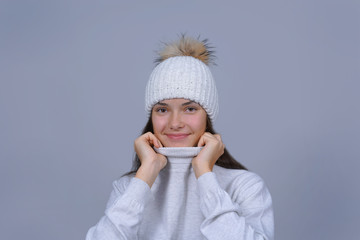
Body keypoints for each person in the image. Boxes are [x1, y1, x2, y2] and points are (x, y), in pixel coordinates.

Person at [86, 35, 274, 240]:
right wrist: (145, 174)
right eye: (162, 109)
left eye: (190, 109)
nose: (175, 123)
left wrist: (204, 173)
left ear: (207, 115)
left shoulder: (244, 186)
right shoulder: (129, 187)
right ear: (152, 116)